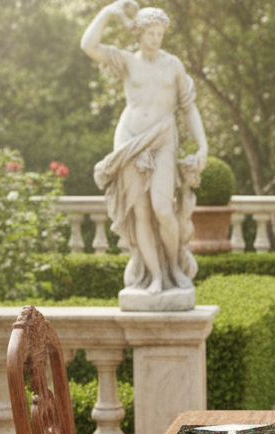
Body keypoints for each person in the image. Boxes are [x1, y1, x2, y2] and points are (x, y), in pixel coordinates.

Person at [82, 3, 206, 298]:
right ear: (138, 33)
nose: (156, 38)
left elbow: (188, 108)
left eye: (160, 32)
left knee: (163, 209)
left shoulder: (173, 65)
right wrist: (111, 11)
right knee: (140, 211)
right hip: (129, 139)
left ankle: (174, 268)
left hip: (163, 137)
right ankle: (155, 277)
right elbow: (88, 44)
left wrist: (203, 146)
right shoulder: (126, 61)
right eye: (151, 32)